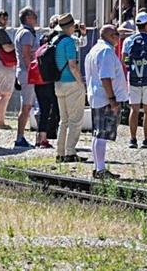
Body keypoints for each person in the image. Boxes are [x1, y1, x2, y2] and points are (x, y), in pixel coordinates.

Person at [85, 24, 128, 179]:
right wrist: (112, 100)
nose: (119, 37)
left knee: (98, 134)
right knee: (102, 134)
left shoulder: (95, 49)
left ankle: (98, 167)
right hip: (105, 98)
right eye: (117, 34)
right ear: (110, 36)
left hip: (97, 96)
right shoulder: (106, 51)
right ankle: (101, 169)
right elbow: (105, 77)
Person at [122, 12, 147, 149]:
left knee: (134, 109)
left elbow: (124, 59)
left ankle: (132, 139)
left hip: (133, 77)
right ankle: (146, 139)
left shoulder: (128, 40)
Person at [53, 13, 87, 162]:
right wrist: (81, 83)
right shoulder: (69, 42)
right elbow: (73, 66)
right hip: (71, 83)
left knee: (64, 120)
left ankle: (60, 152)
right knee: (75, 120)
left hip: (58, 83)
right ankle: (70, 152)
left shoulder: (55, 40)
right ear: (70, 27)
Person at [32, 16, 61, 149]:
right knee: (54, 109)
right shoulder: (55, 45)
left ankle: (40, 138)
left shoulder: (41, 44)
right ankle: (53, 137)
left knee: (43, 110)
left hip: (39, 80)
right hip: (50, 81)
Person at [13, 6, 38, 148]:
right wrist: (32, 70)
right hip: (27, 73)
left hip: (24, 72)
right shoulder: (27, 34)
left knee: (27, 106)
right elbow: (26, 54)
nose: (36, 19)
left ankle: (22, 136)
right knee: (26, 106)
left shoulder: (21, 31)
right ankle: (19, 138)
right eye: (34, 16)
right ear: (27, 18)